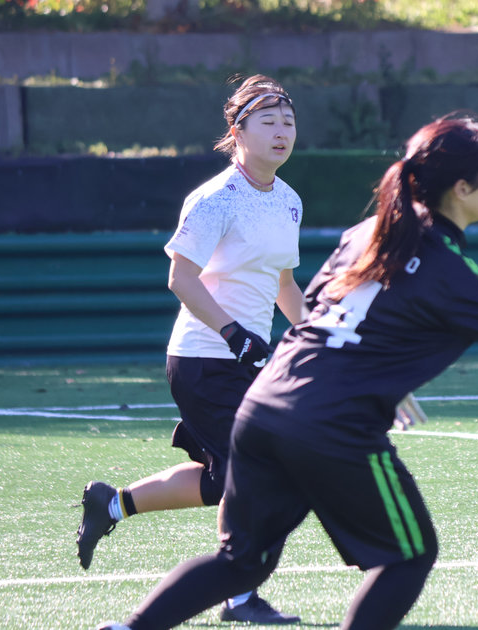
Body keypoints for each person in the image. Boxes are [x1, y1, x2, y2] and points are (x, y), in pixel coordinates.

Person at [92, 112, 478, 630]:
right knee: (409, 555)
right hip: (332, 425)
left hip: (265, 406)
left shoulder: (365, 233)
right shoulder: (456, 274)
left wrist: (368, 370)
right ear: (462, 188)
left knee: (240, 562)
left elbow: (315, 312)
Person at [77, 74, 305, 625]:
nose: (281, 132)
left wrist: (317, 337)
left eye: (288, 122)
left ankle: (111, 503)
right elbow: (181, 278)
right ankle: (240, 596)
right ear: (238, 131)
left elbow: (285, 286)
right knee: (257, 472)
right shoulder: (214, 198)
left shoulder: (290, 201)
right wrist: (233, 332)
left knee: (222, 479)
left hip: (250, 361)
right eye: (268, 122)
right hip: (204, 358)